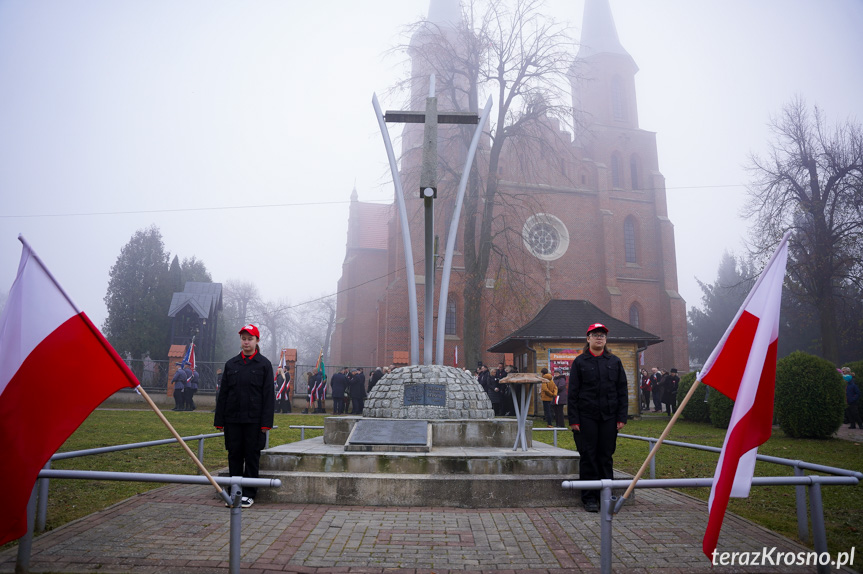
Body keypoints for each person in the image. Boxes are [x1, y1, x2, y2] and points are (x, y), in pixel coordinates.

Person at [213, 324, 274, 508]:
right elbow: (223, 394)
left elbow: (268, 396)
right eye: (243, 339)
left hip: (254, 422)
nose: (246, 342)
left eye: (250, 339)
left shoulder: (264, 365)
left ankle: (249, 493)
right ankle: (235, 491)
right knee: (234, 455)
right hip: (233, 420)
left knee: (252, 456)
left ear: (256, 341)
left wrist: (266, 424)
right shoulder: (231, 364)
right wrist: (219, 420)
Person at [568, 323, 627, 513]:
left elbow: (622, 391)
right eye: (595, 335)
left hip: (609, 417)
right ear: (588, 339)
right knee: (588, 456)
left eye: (602, 335)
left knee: (606, 456)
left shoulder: (614, 362)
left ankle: (606, 494)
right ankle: (590, 497)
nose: (599, 338)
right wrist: (574, 419)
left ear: (606, 339)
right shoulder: (580, 362)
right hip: (586, 417)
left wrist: (621, 417)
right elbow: (573, 393)